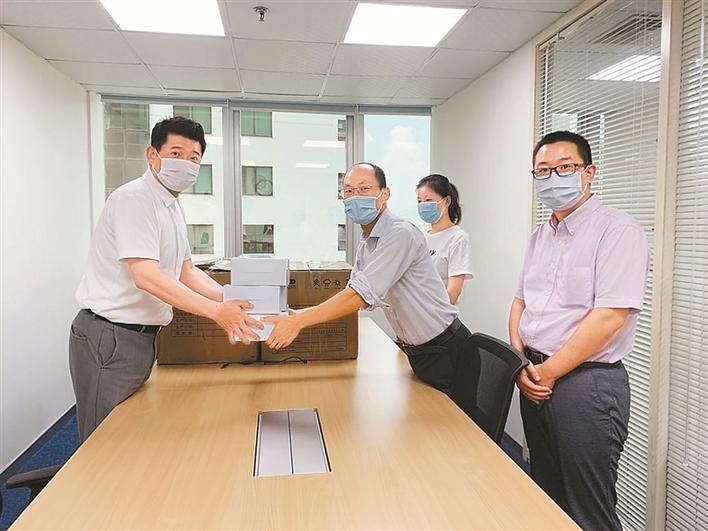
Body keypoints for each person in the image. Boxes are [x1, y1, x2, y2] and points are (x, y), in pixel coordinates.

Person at [70, 116, 261, 441]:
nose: (185, 163)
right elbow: (146, 275)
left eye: (194, 158)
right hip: (110, 335)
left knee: (128, 432)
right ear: (152, 155)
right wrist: (217, 312)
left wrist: (232, 299)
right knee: (103, 441)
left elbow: (186, 271)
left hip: (139, 337)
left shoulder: (171, 205)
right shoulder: (135, 200)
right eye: (176, 153)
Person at [508, 131, 649, 531]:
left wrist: (546, 372)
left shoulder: (617, 230)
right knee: (547, 496)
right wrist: (520, 361)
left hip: (586, 384)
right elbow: (520, 302)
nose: (553, 177)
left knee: (588, 509)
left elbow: (610, 317)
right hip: (535, 375)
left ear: (589, 172)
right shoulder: (540, 236)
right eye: (543, 171)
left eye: (565, 167)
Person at [265, 163, 478, 401]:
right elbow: (354, 290)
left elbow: (359, 295)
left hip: (446, 349)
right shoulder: (369, 240)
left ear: (384, 194)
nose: (355, 197)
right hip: (419, 351)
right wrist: (298, 315)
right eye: (349, 191)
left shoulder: (399, 234)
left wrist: (300, 321)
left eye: (364, 189)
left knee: (454, 422)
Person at [416, 174, 474, 304]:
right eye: (419, 201)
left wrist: (430, 311)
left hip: (439, 314)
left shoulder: (458, 238)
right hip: (416, 312)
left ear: (446, 201)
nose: (423, 205)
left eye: (428, 200)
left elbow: (453, 292)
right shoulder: (421, 238)